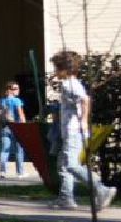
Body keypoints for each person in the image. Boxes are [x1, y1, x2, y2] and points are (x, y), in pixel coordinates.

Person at [48, 51, 117, 211]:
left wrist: (84, 121)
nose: (55, 72)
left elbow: (85, 100)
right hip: (70, 132)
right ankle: (66, 198)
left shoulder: (69, 84)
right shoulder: (71, 83)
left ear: (65, 69)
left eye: (57, 68)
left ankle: (101, 189)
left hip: (74, 132)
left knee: (71, 165)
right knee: (64, 165)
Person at [0, 81, 28, 177]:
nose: (18, 90)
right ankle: (20, 172)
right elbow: (21, 114)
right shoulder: (17, 101)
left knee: (4, 150)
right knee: (19, 150)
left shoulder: (0, 101)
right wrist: (24, 126)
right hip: (17, 127)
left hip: (4, 127)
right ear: (10, 90)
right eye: (16, 88)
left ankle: (2, 172)